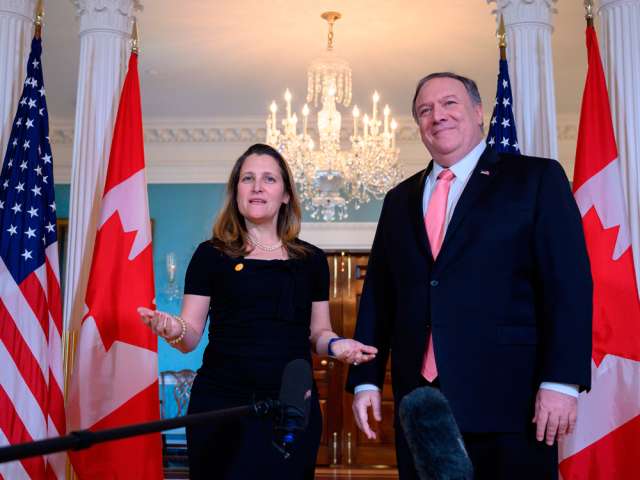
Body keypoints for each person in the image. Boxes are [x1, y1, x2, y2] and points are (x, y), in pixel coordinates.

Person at [346, 72, 593, 480]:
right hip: (421, 405)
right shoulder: (398, 200)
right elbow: (379, 297)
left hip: (512, 401)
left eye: (449, 104)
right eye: (424, 110)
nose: (436, 115)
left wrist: (562, 381)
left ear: (479, 112)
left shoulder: (536, 179)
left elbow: (568, 286)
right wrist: (366, 380)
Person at [139, 143, 377, 480]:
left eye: (268, 179)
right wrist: (172, 328)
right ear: (236, 192)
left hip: (290, 405)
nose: (257, 186)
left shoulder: (311, 261)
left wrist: (338, 345)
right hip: (221, 405)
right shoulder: (211, 255)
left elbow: (319, 333)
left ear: (285, 195)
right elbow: (189, 335)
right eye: (247, 178)